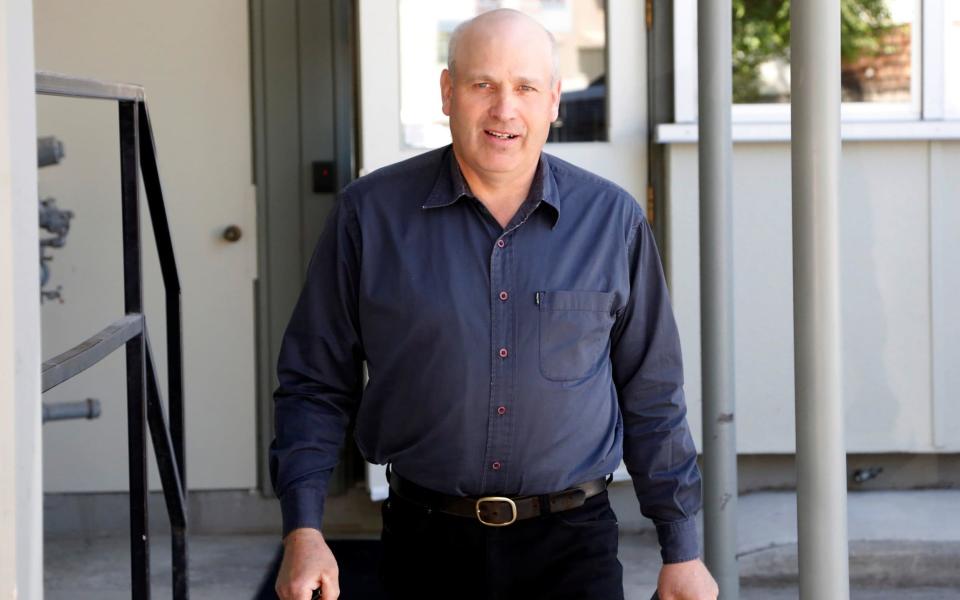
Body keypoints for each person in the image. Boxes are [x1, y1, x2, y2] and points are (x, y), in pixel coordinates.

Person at [270, 8, 718, 600]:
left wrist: (681, 550)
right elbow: (312, 382)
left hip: (573, 548)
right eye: (483, 85)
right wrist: (303, 529)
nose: (505, 109)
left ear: (553, 100)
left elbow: (652, 394)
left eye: (526, 87)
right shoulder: (368, 216)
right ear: (449, 92)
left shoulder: (613, 222)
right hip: (424, 545)